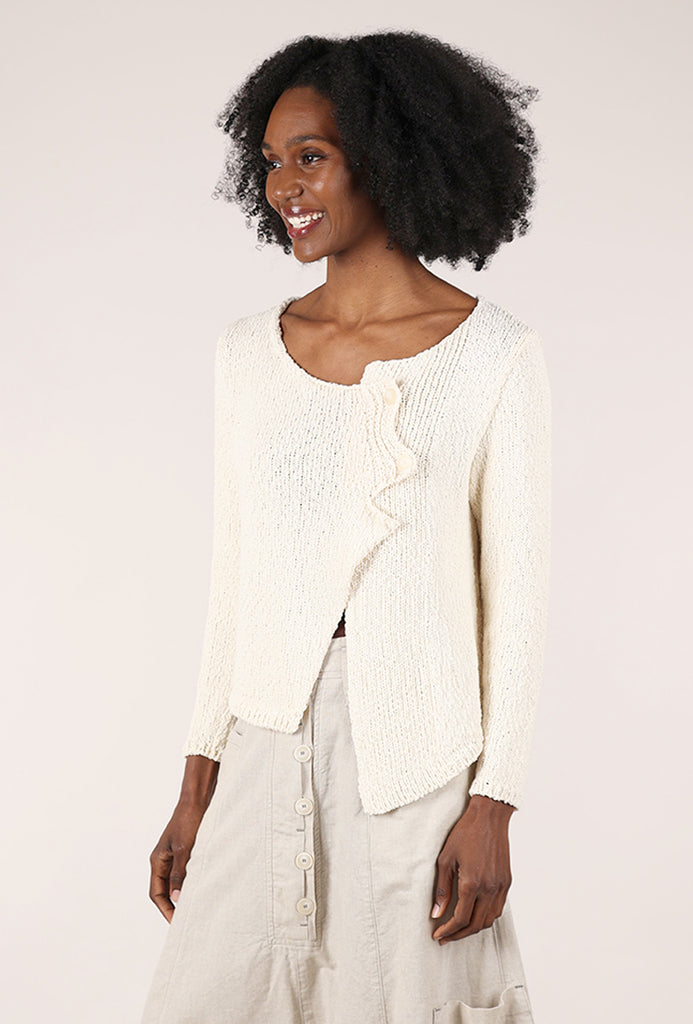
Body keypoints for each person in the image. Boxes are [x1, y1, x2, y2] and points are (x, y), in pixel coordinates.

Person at [141, 29, 551, 1024]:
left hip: (416, 768)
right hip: (261, 747)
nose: (284, 186)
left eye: (312, 155)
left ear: (389, 154)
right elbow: (236, 579)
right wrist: (197, 781)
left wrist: (494, 802)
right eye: (272, 161)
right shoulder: (247, 355)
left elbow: (518, 598)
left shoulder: (495, 357)